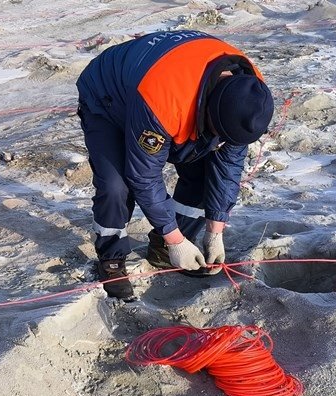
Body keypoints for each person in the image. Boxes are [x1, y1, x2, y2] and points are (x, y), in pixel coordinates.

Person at [76, 30, 274, 299]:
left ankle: (161, 248)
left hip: (162, 85)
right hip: (108, 96)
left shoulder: (249, 96)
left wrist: (216, 230)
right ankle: (111, 259)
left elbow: (228, 168)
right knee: (116, 185)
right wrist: (176, 240)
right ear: (209, 112)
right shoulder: (164, 98)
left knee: (203, 173)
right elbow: (144, 176)